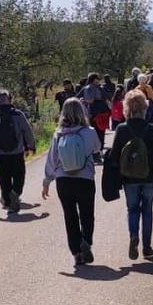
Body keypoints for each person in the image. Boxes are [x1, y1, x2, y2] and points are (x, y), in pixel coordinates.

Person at [109, 91, 153, 261]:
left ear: (127, 108)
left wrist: (113, 179)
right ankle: (147, 248)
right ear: (145, 108)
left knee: (132, 210)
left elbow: (114, 157)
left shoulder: (121, 129)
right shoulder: (151, 129)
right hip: (149, 177)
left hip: (129, 179)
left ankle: (133, 236)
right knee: (147, 211)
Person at [41, 97, 103, 268]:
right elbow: (97, 148)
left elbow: (52, 160)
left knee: (70, 216)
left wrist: (47, 181)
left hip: (63, 180)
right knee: (87, 214)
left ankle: (76, 253)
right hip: (85, 179)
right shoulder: (89, 131)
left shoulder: (58, 133)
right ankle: (86, 242)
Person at [0, 89, 37, 213]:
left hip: (0, 153)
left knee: (4, 176)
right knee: (19, 174)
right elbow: (27, 131)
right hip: (17, 152)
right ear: (9, 99)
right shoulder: (18, 115)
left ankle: (7, 201)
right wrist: (31, 145)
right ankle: (15, 192)